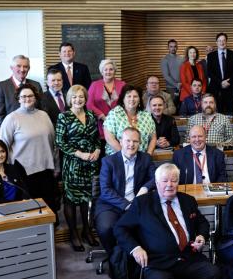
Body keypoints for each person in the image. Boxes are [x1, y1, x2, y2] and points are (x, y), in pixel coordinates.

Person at [113, 163, 220, 279]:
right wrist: (135, 249)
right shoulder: (142, 203)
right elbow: (120, 228)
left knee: (213, 273)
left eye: (174, 181)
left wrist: (201, 236)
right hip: (158, 262)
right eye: (165, 181)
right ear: (157, 183)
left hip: (189, 258)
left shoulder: (188, 200)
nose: (169, 185)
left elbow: (202, 222)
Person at [0, 84, 58, 217]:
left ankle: (50, 237)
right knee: (31, 214)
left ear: (35, 98)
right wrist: (5, 171)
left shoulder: (44, 115)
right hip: (23, 173)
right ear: (18, 99)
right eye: (23, 96)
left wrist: (56, 165)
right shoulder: (11, 119)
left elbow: (53, 143)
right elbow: (2, 147)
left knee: (49, 212)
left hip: (46, 171)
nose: (27, 98)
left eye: (30, 95)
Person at [94, 127, 155, 255]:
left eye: (135, 141)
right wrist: (127, 205)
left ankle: (134, 258)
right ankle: (115, 258)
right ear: (120, 141)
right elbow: (105, 191)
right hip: (110, 205)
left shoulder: (146, 159)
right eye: (128, 141)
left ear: (140, 143)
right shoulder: (108, 161)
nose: (131, 144)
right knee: (106, 228)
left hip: (137, 204)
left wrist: (145, 188)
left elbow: (156, 178)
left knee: (150, 227)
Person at [55, 85, 101, 251]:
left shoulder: (90, 115)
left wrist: (97, 150)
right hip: (73, 164)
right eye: (74, 97)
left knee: (87, 199)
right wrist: (79, 154)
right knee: (71, 200)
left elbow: (97, 138)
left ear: (85, 98)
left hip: (90, 164)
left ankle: (87, 231)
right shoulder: (64, 117)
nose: (78, 100)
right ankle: (74, 233)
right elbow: (60, 141)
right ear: (69, 99)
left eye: (81, 97)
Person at [103, 84, 157, 155]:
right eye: (129, 96)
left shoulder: (146, 115)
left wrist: (148, 156)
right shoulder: (114, 114)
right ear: (123, 99)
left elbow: (153, 138)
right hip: (118, 158)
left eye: (135, 96)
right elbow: (109, 138)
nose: (132, 99)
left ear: (139, 100)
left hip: (141, 159)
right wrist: (126, 156)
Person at [0, 55, 43, 126]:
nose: (22, 70)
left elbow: (41, 110)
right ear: (11, 68)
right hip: (12, 132)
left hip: (34, 129)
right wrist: (10, 132)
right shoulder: (1, 87)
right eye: (18, 66)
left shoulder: (36, 85)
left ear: (29, 69)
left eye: (25, 66)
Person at [87, 59, 126, 140]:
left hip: (119, 123)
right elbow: (89, 104)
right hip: (99, 123)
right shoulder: (94, 85)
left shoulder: (122, 85)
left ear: (115, 71)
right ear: (102, 72)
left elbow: (126, 103)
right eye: (106, 69)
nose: (108, 72)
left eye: (111, 69)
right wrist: (101, 116)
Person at [207, 32, 233, 114]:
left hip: (230, 88)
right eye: (220, 40)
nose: (222, 42)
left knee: (231, 112)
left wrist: (228, 81)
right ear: (216, 42)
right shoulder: (211, 56)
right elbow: (209, 72)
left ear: (226, 42)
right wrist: (220, 83)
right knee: (216, 113)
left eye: (224, 40)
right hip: (216, 89)